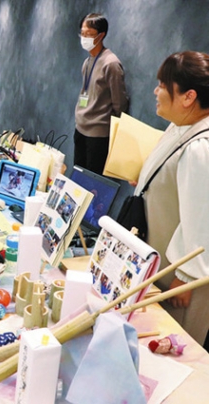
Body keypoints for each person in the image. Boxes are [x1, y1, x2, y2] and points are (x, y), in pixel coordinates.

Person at [134, 51, 209, 345]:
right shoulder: (181, 125)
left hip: (181, 280)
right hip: (163, 266)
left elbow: (202, 219)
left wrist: (187, 277)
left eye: (163, 85)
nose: (156, 91)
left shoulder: (201, 147)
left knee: (176, 345)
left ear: (188, 96)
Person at [74, 13, 128, 174]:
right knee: (77, 177)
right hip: (80, 128)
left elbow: (120, 103)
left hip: (98, 134)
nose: (84, 38)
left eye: (88, 34)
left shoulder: (111, 63)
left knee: (93, 183)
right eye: (82, 34)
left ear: (101, 35)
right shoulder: (88, 61)